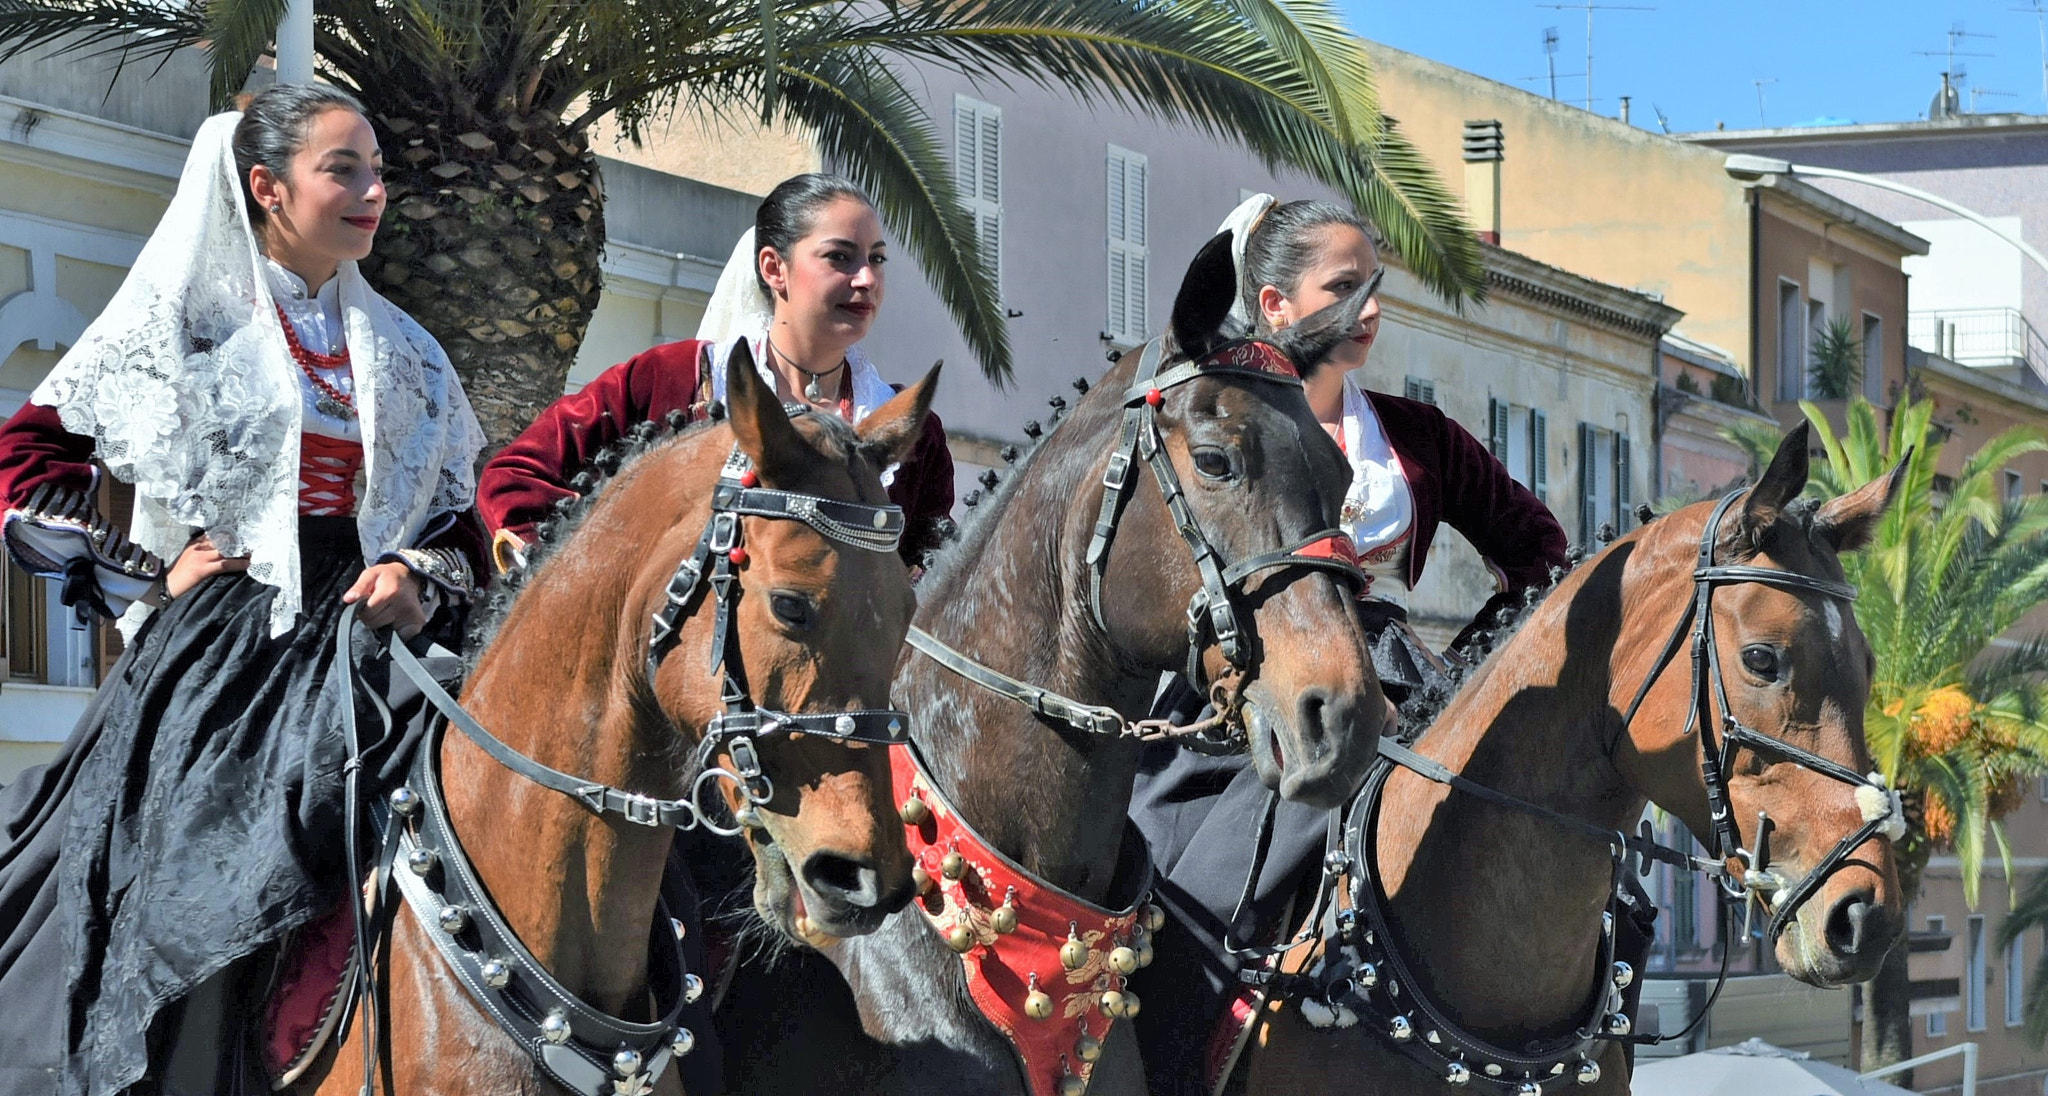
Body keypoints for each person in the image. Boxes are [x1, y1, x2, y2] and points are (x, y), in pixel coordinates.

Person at [0, 86, 485, 1095]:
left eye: (377, 170)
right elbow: (25, 455)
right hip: (228, 649)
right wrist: (143, 568)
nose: (372, 191)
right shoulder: (185, 316)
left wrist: (418, 580)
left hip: (367, 629)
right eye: (342, 168)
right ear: (266, 187)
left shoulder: (408, 351)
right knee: (199, 863)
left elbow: (456, 520)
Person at [1126, 195, 1569, 1094]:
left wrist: (1479, 674)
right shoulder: (1218, 420)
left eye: (1375, 287)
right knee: (1192, 894)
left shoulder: (1417, 435)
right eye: (1344, 287)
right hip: (1247, 679)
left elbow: (1542, 553)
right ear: (1275, 303)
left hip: (1397, 673)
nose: (1369, 308)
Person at [477, 172, 955, 570]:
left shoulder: (910, 433)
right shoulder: (671, 380)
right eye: (839, 257)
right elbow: (516, 477)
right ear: (774, 268)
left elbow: (935, 581)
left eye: (876, 259)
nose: (867, 278)